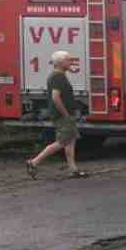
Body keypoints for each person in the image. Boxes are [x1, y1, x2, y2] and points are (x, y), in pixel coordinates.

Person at [27, 50, 87, 179]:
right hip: (63, 115)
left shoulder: (59, 75)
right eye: (68, 60)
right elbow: (55, 97)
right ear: (60, 63)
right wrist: (65, 114)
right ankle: (34, 162)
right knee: (62, 141)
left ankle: (73, 169)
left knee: (70, 140)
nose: (71, 62)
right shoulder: (58, 77)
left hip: (65, 114)